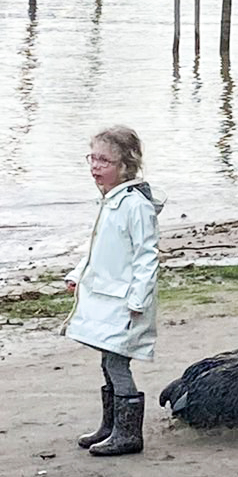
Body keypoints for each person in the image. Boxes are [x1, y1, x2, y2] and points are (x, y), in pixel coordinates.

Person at [64, 126, 163, 458]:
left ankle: (128, 432)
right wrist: (77, 274)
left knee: (118, 362)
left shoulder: (136, 206)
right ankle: (111, 425)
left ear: (125, 165)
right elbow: (98, 249)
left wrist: (138, 299)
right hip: (106, 296)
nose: (95, 166)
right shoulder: (110, 202)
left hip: (125, 301)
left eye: (104, 160)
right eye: (92, 158)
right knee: (108, 359)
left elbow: (147, 257)